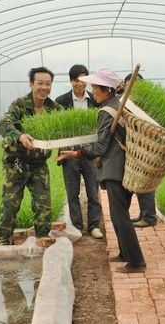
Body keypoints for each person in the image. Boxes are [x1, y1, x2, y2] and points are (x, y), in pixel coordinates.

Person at [55, 68, 146, 274]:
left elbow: (100, 147)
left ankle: (136, 261)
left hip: (115, 170)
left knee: (120, 216)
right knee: (115, 214)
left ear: (106, 90)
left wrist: (74, 154)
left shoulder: (106, 112)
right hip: (126, 168)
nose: (92, 91)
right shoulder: (118, 105)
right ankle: (124, 253)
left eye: (95, 87)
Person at [0, 66, 61, 246]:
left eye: (48, 84)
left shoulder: (53, 108)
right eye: (40, 83)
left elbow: (69, 125)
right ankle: (2, 241)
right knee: (11, 204)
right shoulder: (20, 104)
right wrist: (20, 136)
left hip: (39, 163)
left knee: (44, 205)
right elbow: (3, 123)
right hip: (16, 162)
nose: (44, 87)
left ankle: (42, 240)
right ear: (31, 84)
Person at [55, 64, 103, 239]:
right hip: (69, 154)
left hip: (90, 152)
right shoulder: (61, 102)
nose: (80, 84)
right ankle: (76, 226)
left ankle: (94, 226)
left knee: (93, 191)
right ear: (70, 81)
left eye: (83, 80)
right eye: (76, 80)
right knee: (72, 192)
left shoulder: (95, 100)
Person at [123, 72, 158, 228]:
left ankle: (150, 217)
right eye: (128, 86)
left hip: (147, 148)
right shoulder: (129, 102)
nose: (131, 89)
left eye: (134, 85)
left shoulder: (147, 103)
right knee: (139, 181)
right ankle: (144, 213)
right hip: (137, 148)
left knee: (145, 182)